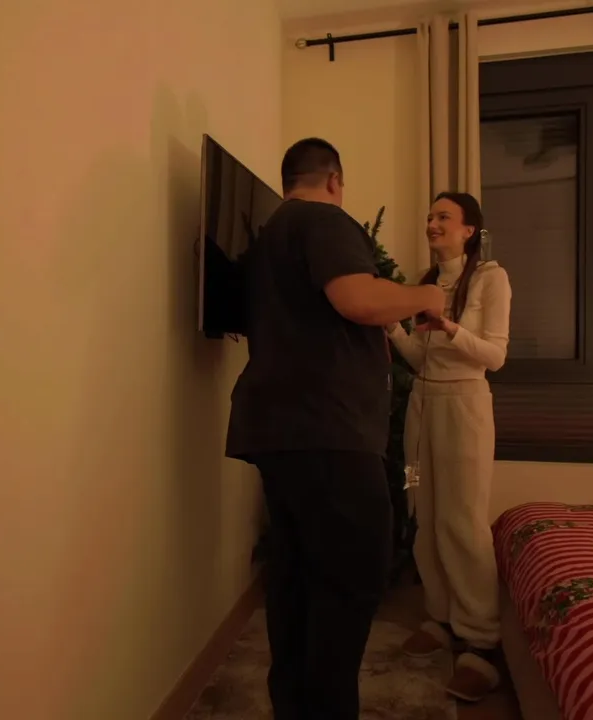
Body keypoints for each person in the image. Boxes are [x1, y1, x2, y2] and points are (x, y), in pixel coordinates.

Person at [225, 137, 447, 719]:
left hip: (283, 430)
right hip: (327, 428)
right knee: (354, 574)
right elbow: (357, 298)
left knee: (297, 580)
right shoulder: (322, 220)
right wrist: (426, 293)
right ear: (333, 180)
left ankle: (295, 707)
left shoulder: (269, 236)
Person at [386, 192, 511, 703]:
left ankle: (481, 641)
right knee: (423, 508)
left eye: (444, 217)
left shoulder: (490, 279)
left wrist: (451, 328)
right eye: (430, 217)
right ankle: (440, 616)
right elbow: (420, 359)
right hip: (422, 408)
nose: (432, 224)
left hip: (465, 408)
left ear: (468, 230)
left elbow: (495, 357)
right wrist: (392, 326)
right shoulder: (425, 284)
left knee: (461, 521)